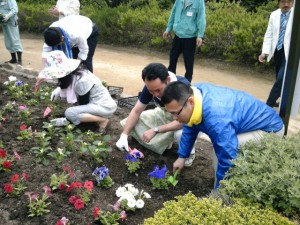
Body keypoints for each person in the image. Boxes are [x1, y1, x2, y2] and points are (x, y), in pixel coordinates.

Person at [161, 81, 284, 189]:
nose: (175, 118)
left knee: (220, 154)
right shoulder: (194, 94)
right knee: (220, 150)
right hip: (247, 124)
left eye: (176, 113)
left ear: (190, 102)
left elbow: (228, 157)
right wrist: (182, 156)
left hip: (269, 130)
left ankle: (222, 193)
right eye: (171, 113)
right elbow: (191, 124)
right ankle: (221, 185)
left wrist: (219, 193)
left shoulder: (216, 118)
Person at [116, 63, 196, 167]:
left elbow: (186, 120)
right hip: (164, 114)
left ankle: (190, 153)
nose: (155, 94)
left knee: (180, 133)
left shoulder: (182, 87)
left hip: (185, 119)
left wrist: (156, 130)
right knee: (138, 119)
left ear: (167, 80)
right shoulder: (151, 86)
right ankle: (165, 142)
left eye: (158, 90)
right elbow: (136, 111)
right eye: (151, 91)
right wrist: (124, 135)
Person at [37, 50, 117, 132]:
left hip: (103, 107)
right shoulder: (77, 72)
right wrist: (58, 90)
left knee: (69, 113)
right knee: (72, 113)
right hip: (97, 104)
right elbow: (70, 86)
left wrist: (66, 120)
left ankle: (102, 120)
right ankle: (90, 119)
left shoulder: (82, 82)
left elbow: (83, 103)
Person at [258, 0, 294, 108]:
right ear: (279, 3)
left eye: (289, 2)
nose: (286, 5)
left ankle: (268, 104)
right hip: (277, 51)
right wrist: (264, 52)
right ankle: (276, 101)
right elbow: (269, 34)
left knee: (281, 79)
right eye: (283, 2)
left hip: (290, 52)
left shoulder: (296, 15)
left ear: (293, 3)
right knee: (280, 78)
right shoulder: (274, 15)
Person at [162, 0, 206, 82]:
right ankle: (170, 80)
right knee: (172, 58)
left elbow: (201, 18)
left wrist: (200, 35)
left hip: (190, 37)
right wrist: (168, 29)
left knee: (188, 62)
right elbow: (173, 13)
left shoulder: (199, 1)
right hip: (177, 35)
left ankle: (188, 81)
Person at [0, 0, 23, 65]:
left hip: (12, 23)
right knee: (8, 42)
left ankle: (19, 60)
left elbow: (15, 10)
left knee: (15, 40)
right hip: (4, 23)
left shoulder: (10, 0)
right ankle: (13, 59)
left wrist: (8, 16)